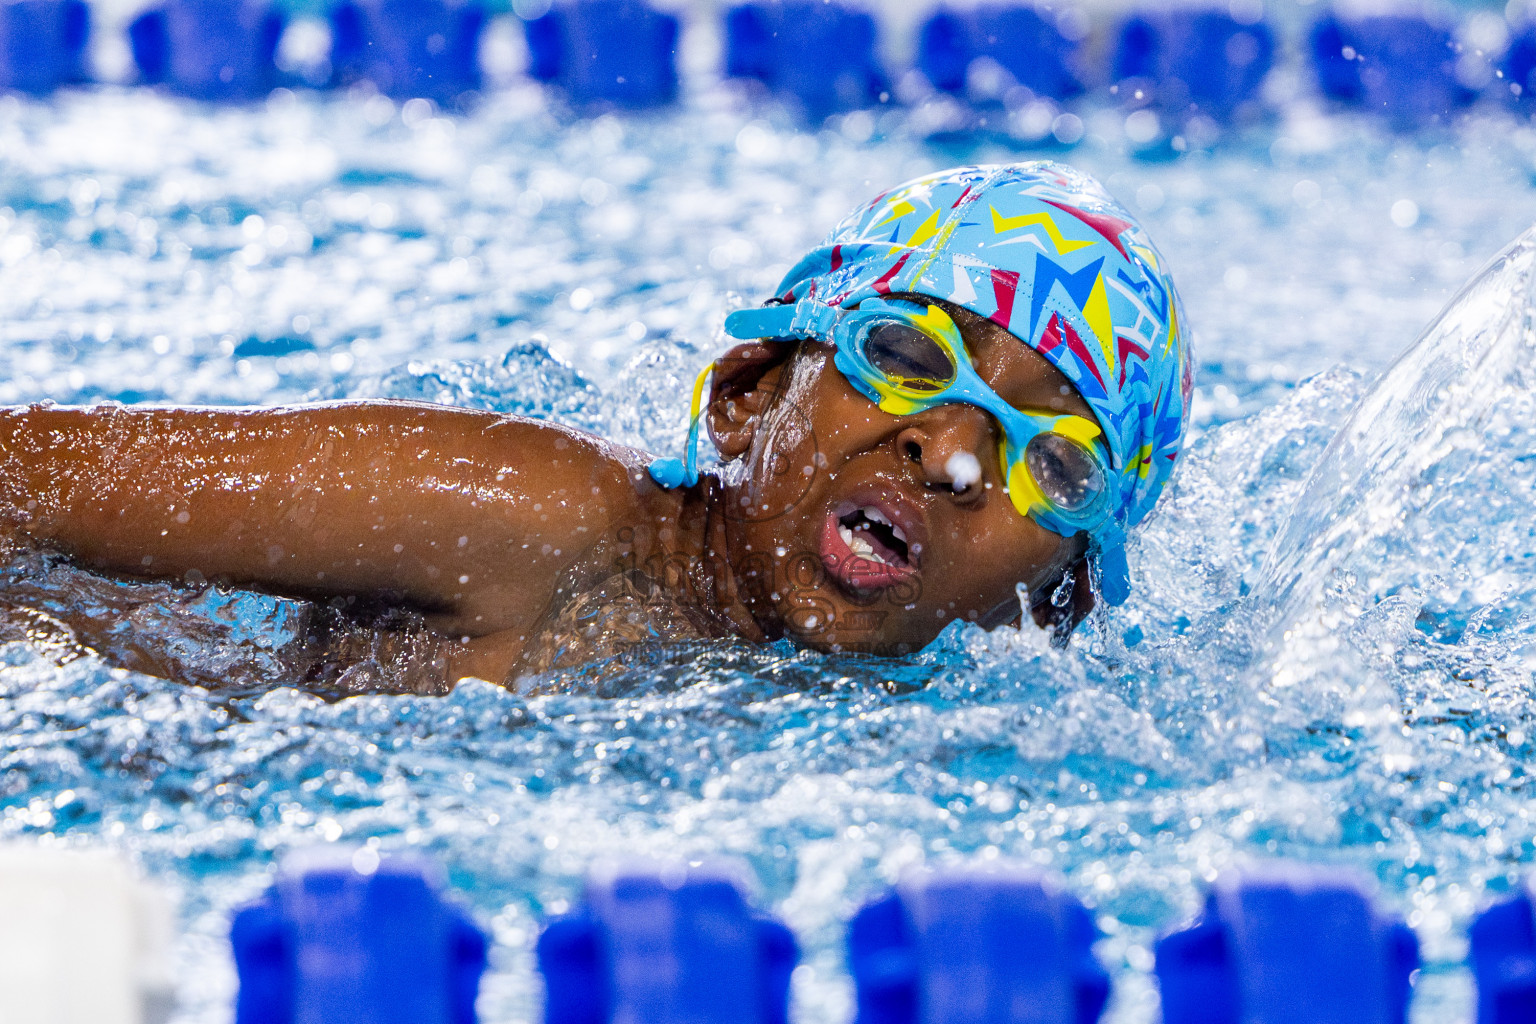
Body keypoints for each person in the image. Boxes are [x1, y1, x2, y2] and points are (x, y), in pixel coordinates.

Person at [0, 161, 1191, 692]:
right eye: (906, 356)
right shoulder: (531, 517)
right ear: (749, 394)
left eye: (1055, 461)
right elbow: (19, 475)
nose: (956, 453)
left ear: (1057, 599)